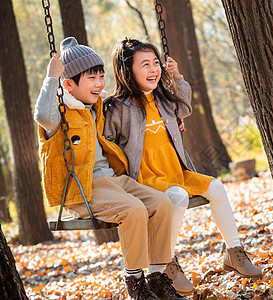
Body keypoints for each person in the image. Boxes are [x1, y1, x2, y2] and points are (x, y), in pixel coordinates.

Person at [104, 38, 263, 295]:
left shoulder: (162, 98)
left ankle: (234, 251)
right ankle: (166, 260)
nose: (153, 69)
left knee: (217, 187)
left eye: (156, 63)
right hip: (145, 180)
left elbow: (184, 107)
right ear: (127, 71)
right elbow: (107, 142)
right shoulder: (119, 108)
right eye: (145, 64)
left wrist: (177, 78)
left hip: (177, 171)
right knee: (177, 198)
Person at [34, 37, 185, 300]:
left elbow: (131, 119)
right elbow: (43, 116)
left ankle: (157, 277)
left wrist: (173, 122)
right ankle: (135, 283)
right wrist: (52, 79)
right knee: (134, 210)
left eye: (101, 76)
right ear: (68, 84)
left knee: (162, 203)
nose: (99, 83)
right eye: (91, 78)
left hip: (114, 181)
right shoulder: (59, 113)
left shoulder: (98, 107)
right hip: (82, 188)